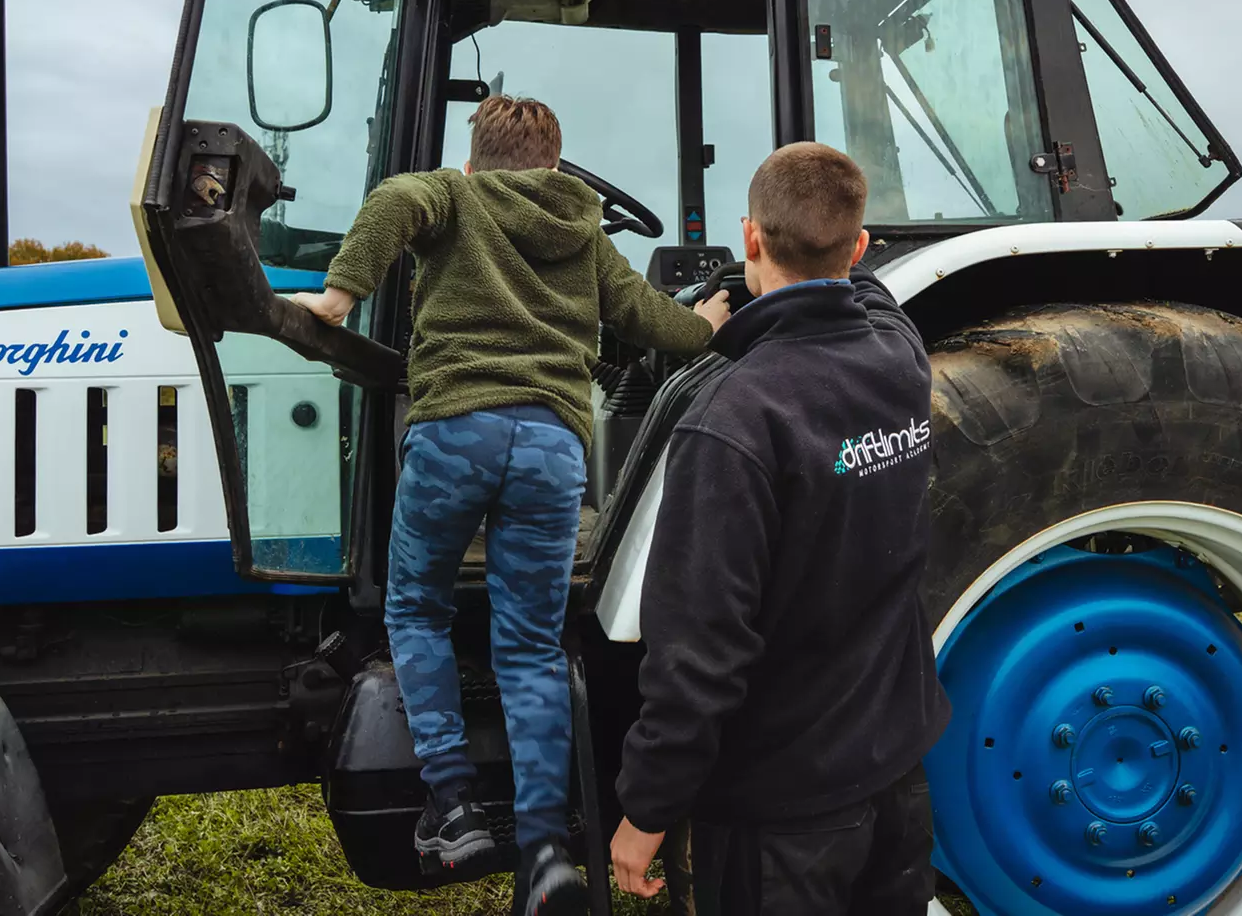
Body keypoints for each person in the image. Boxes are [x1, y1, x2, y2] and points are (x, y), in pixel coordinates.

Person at [294, 96, 730, 914]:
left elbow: (392, 199)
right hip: (550, 449)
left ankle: (453, 806)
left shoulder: (453, 196)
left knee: (417, 612)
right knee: (528, 645)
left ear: (474, 160)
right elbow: (645, 319)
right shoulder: (585, 230)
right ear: (554, 165)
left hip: (456, 430)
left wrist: (338, 298)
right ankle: (541, 852)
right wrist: (703, 324)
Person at [607, 142, 949, 915]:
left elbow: (700, 650)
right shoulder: (898, 358)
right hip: (894, 774)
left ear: (750, 238)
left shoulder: (735, 421)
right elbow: (869, 298)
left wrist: (646, 812)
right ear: (859, 247)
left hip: (784, 815)